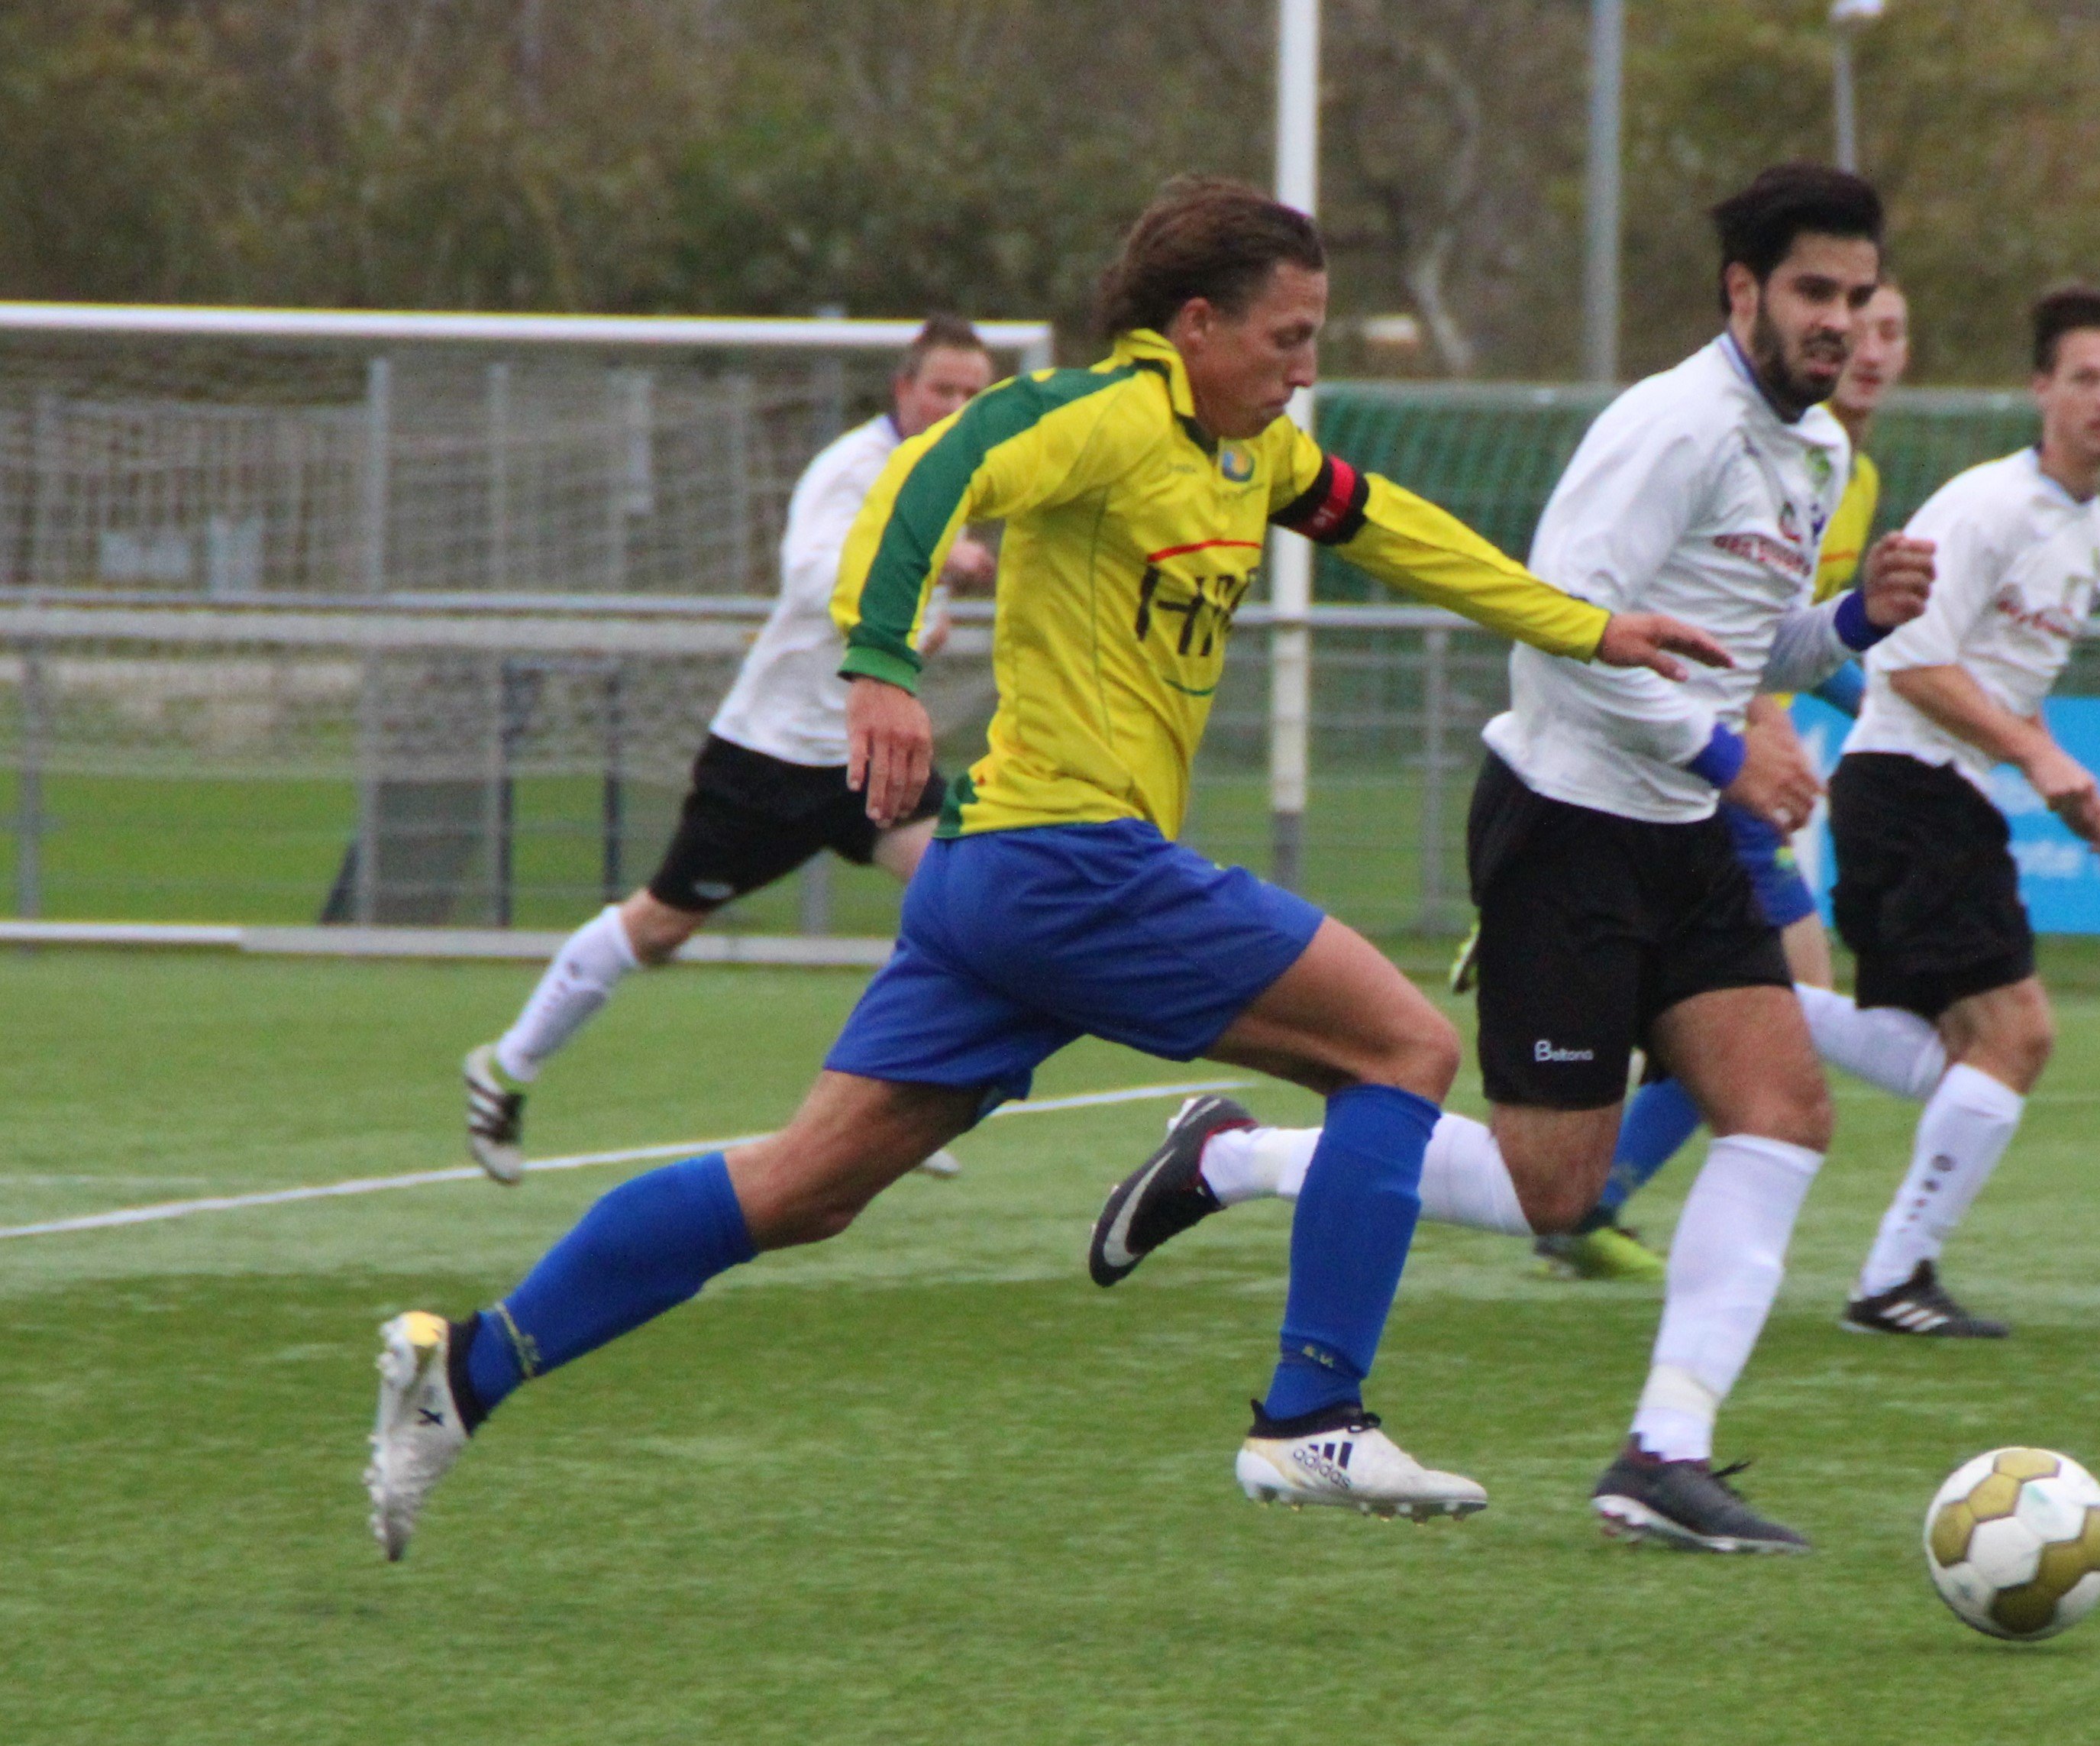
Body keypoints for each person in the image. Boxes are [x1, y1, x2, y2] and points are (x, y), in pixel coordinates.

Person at [365, 176, 1730, 1559]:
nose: (1307, 368)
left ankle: (463, 1370)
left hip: (996, 885)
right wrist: (881, 662)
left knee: (802, 1188)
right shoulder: (1101, 413)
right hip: (1072, 863)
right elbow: (929, 469)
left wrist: (1584, 628)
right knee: (1402, 1052)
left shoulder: (1251, 454)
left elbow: (1391, 527)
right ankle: (1311, 1411)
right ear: (1195, 323)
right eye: (1288, 337)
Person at [1088, 165, 1937, 1553]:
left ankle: (1664, 1453)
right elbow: (1563, 624)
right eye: (1815, 295)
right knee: (1559, 1191)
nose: (1841, 322)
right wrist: (1728, 757)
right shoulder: (1670, 426)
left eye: (1859, 296)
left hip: (1684, 835)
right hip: (1570, 830)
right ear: (1745, 294)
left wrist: (1851, 620)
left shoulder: (1822, 454)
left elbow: (1743, 644)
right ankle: (1240, 1157)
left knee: (1782, 1111)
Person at [460, 318, 999, 1184]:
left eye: (975, 394)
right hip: (772, 756)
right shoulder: (853, 469)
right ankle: (505, 1068)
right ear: (903, 390)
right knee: (662, 924)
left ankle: (893, 1104)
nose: (958, 407)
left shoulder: (949, 473)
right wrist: (938, 563)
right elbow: (814, 578)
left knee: (964, 892)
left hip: (860, 751)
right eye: (944, 389)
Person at [1550, 279, 1917, 1281]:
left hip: (1731, 767)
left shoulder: (1845, 468)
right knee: (1783, 1008)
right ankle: (1590, 1203)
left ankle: (1591, 1207)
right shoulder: (1713, 436)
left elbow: (1778, 632)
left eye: (1888, 328)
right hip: (1704, 770)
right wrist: (1754, 729)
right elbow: (1690, 626)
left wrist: (1873, 682)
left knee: (1770, 1020)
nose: (1868, 345)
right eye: (1848, 318)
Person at [1825, 283, 2100, 1338]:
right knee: (2015, 1034)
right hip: (1903, 786)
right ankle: (1890, 1281)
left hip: (1936, 794)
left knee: (1955, 1049)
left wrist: (2064, 786)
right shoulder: (1988, 505)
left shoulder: (2094, 535)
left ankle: (1705, 994)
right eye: (2085, 377)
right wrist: (2036, 755)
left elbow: (2012, 686)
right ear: (2040, 388)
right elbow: (1910, 660)